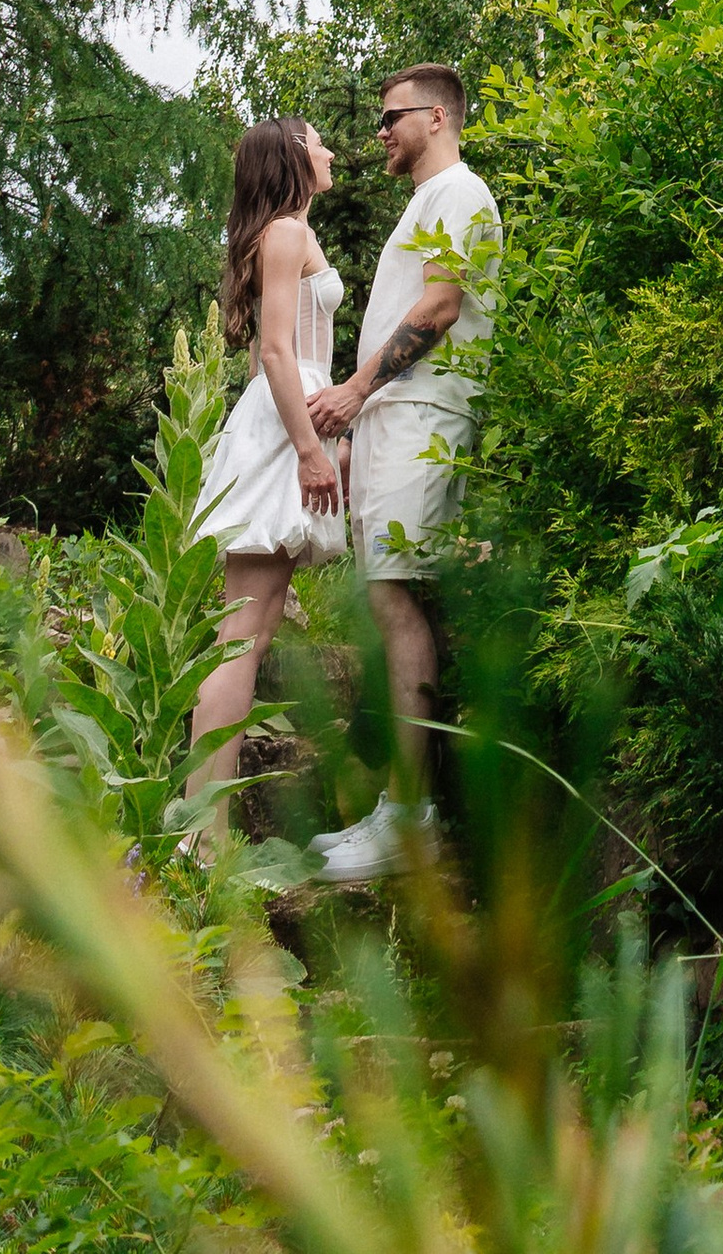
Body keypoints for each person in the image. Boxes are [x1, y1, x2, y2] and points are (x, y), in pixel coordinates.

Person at [306, 63, 502, 878]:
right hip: (395, 421)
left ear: (437, 119)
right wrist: (360, 429)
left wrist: (354, 394)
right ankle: (400, 810)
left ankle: (410, 820)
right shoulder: (427, 202)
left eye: (392, 118)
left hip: (422, 417)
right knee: (389, 597)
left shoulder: (459, 192)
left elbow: (440, 307)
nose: (379, 132)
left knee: (396, 599)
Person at [189, 117, 347, 819]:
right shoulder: (285, 233)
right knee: (239, 637)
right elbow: (279, 355)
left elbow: (261, 359)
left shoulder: (286, 234)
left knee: (252, 629)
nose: (330, 151)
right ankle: (201, 831)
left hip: (280, 421)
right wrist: (310, 450)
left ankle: (206, 827)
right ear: (293, 157)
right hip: (288, 426)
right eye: (318, 140)